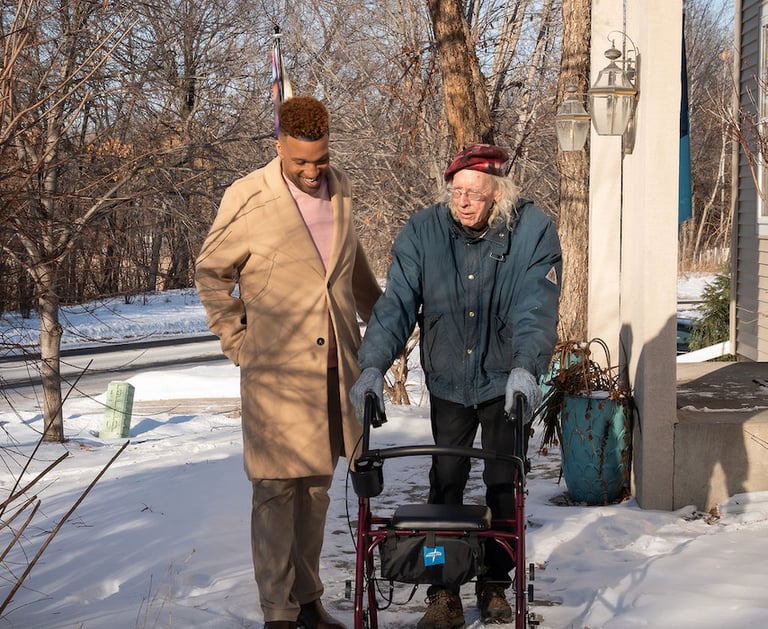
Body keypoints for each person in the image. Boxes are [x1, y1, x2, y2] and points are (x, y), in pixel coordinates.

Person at [349, 144, 561, 628]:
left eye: (475, 193)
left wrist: (527, 367)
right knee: (446, 479)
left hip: (507, 378)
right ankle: (443, 590)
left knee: (503, 479)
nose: (464, 202)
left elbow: (536, 307)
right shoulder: (424, 232)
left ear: (499, 194)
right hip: (448, 376)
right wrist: (373, 366)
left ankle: (493, 583)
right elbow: (397, 305)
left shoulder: (532, 232)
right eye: (457, 192)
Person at [195, 96, 382, 629]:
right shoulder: (249, 196)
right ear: (278, 145)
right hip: (276, 372)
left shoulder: (341, 187)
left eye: (319, 160)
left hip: (335, 369)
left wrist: (384, 324)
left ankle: (308, 600)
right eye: (300, 160)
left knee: (318, 489)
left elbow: (349, 267)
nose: (310, 171)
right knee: (276, 489)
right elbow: (211, 273)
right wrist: (238, 341)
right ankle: (278, 611)